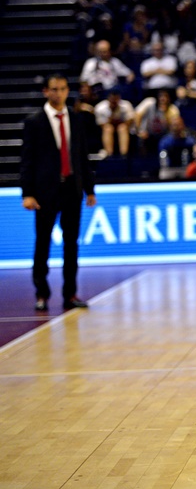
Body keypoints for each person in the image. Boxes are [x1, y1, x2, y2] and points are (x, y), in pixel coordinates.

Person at [20, 75, 96, 312]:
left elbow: (82, 156)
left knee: (71, 243)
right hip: (45, 192)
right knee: (43, 242)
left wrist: (90, 189)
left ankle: (70, 293)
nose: (59, 93)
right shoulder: (34, 122)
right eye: (54, 89)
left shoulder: (75, 119)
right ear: (46, 92)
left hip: (72, 189)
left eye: (63, 89)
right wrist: (27, 193)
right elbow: (27, 161)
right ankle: (41, 292)